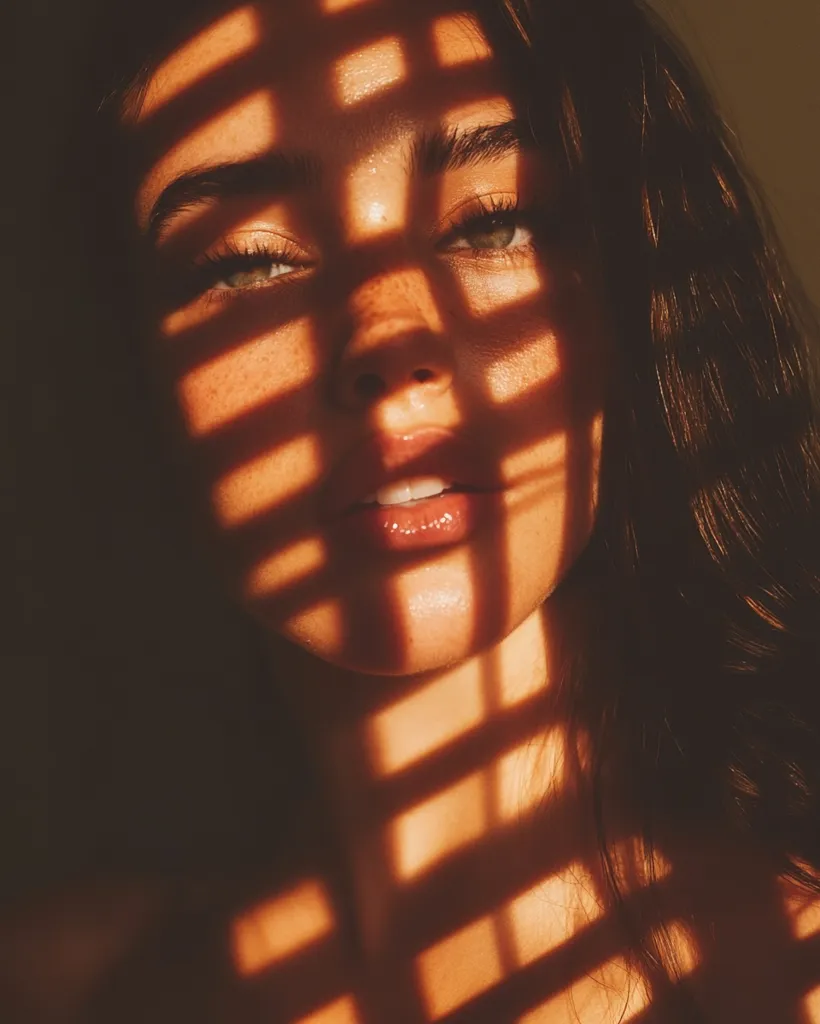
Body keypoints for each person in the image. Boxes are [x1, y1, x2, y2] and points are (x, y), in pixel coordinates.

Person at [3, 0, 820, 1020]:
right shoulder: (65, 986)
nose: (390, 342)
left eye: (494, 220)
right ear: (129, 369)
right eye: (248, 262)